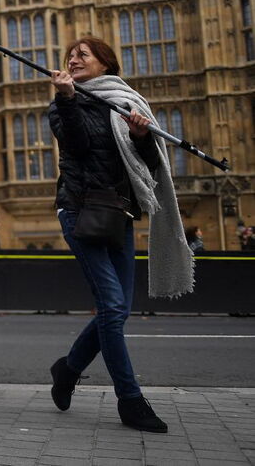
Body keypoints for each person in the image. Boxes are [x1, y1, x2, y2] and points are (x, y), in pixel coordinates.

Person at [46, 36, 178, 434]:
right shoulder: (62, 103)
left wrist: (141, 136)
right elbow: (79, 145)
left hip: (118, 213)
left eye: (82, 54)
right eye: (71, 55)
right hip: (81, 211)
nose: (73, 59)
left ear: (106, 63)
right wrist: (68, 100)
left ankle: (67, 370)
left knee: (117, 309)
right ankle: (130, 400)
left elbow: (150, 165)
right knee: (113, 307)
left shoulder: (127, 101)